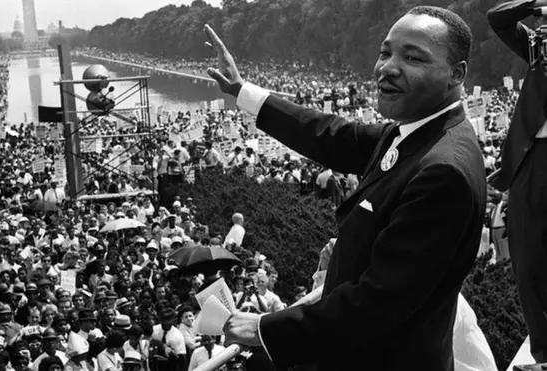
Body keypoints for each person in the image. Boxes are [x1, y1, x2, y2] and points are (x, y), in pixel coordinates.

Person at [204, 5, 487, 371]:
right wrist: (243, 92)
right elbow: (330, 135)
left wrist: (263, 328)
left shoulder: (442, 170)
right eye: (385, 52)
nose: (387, 67)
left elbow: (378, 304)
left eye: (413, 58)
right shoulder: (416, 132)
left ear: (456, 74)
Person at [487, 0, 547, 363]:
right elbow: (497, 18)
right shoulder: (537, 48)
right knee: (527, 259)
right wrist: (536, 5)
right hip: (530, 161)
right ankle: (542, 347)